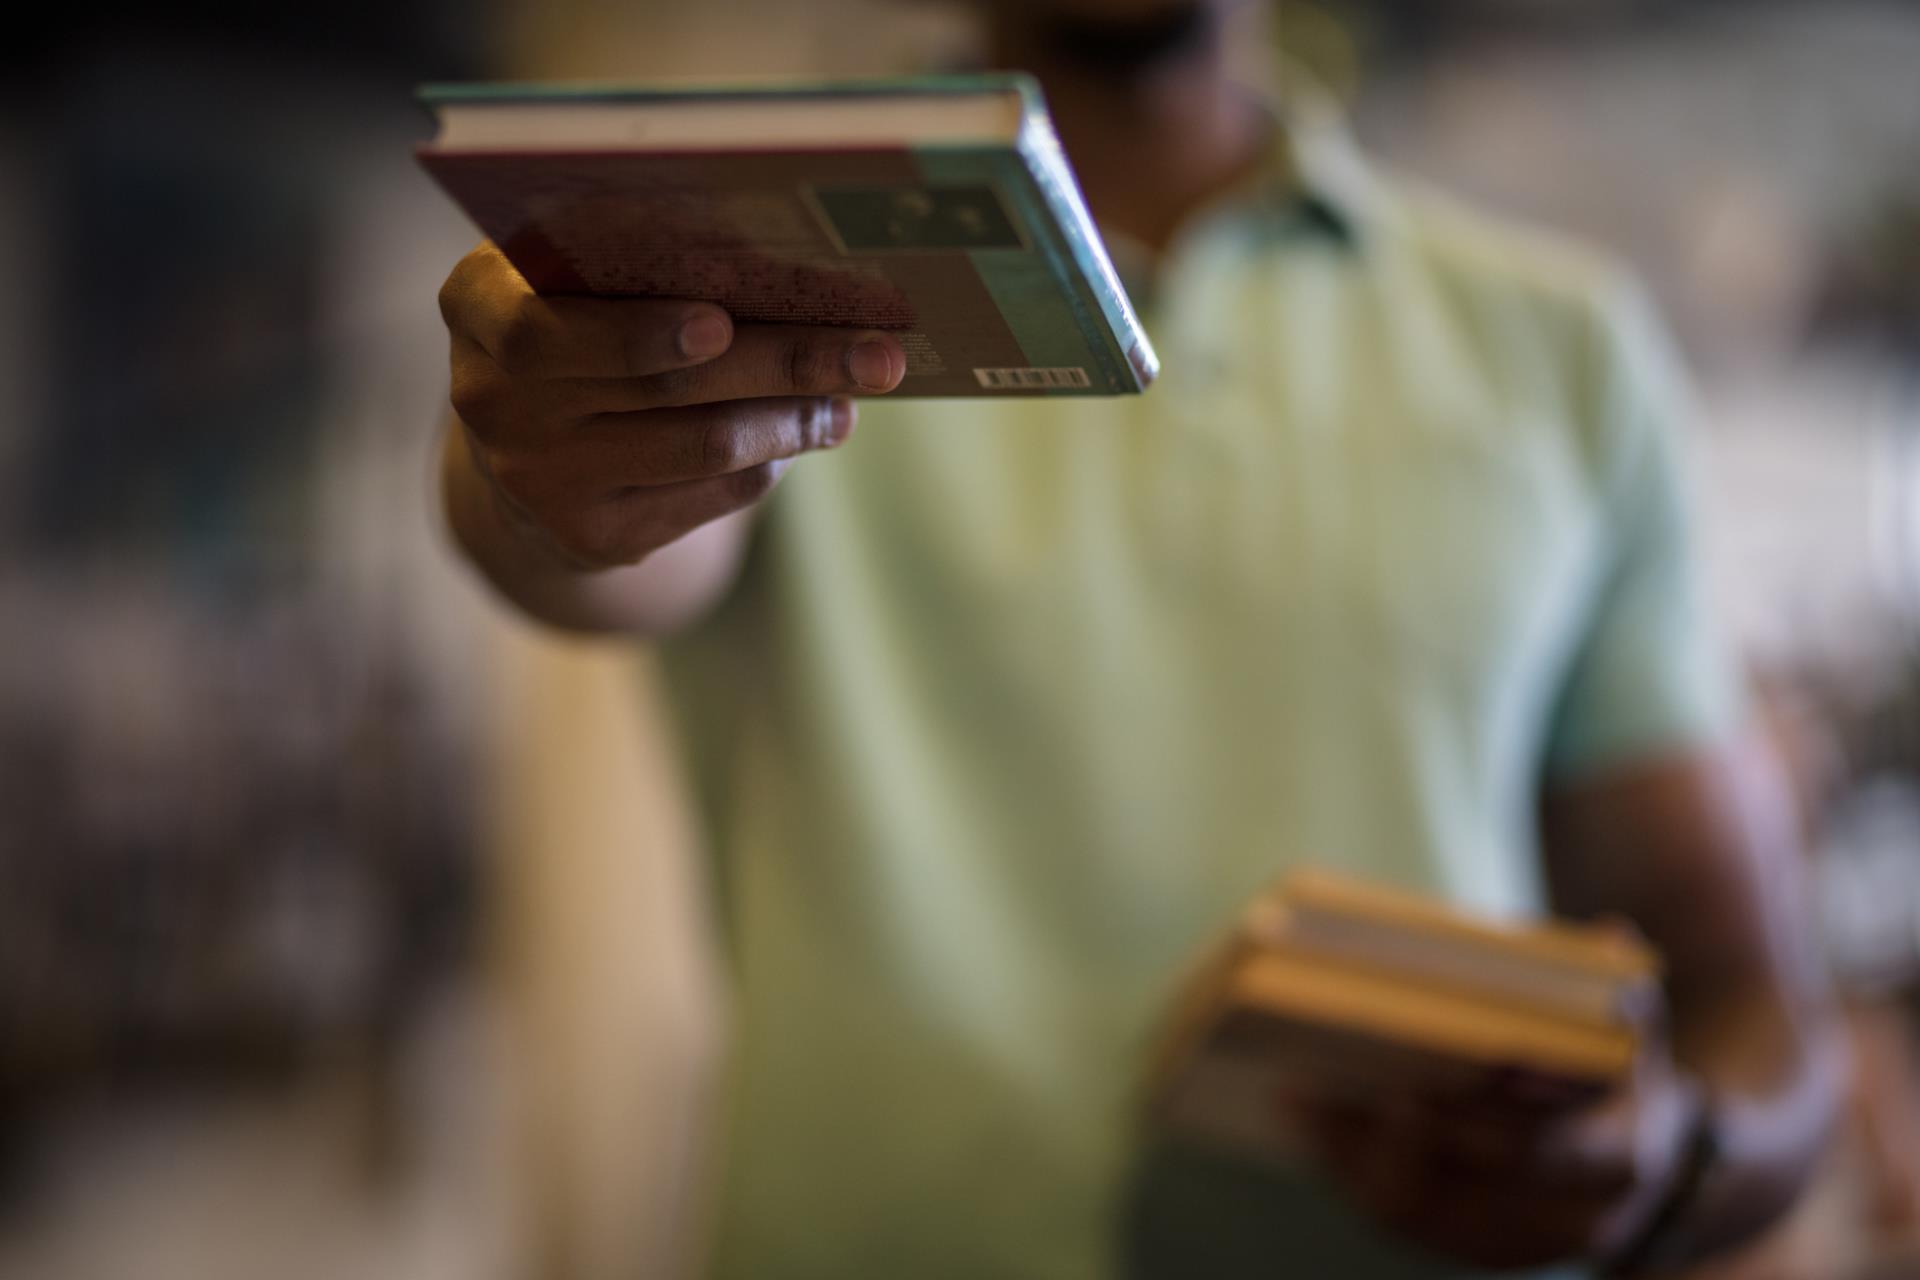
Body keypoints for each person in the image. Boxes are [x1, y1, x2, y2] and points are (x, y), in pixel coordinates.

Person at [432, 1, 1843, 1275]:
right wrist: (538, 473)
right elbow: (581, 549)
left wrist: (1665, 1165)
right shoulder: (751, 272)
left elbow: (1757, 1019)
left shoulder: (1564, 351)